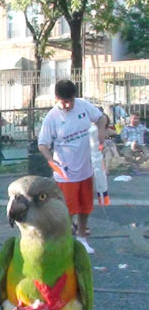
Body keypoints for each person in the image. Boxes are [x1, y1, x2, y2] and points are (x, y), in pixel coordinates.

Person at [38, 80, 104, 254]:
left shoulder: (83, 106)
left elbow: (101, 118)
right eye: (63, 102)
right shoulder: (52, 118)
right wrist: (50, 160)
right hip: (65, 172)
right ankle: (64, 241)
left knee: (85, 207)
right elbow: (43, 144)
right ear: (56, 99)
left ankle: (82, 239)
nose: (67, 105)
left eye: (70, 101)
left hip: (86, 169)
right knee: (67, 210)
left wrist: (101, 134)